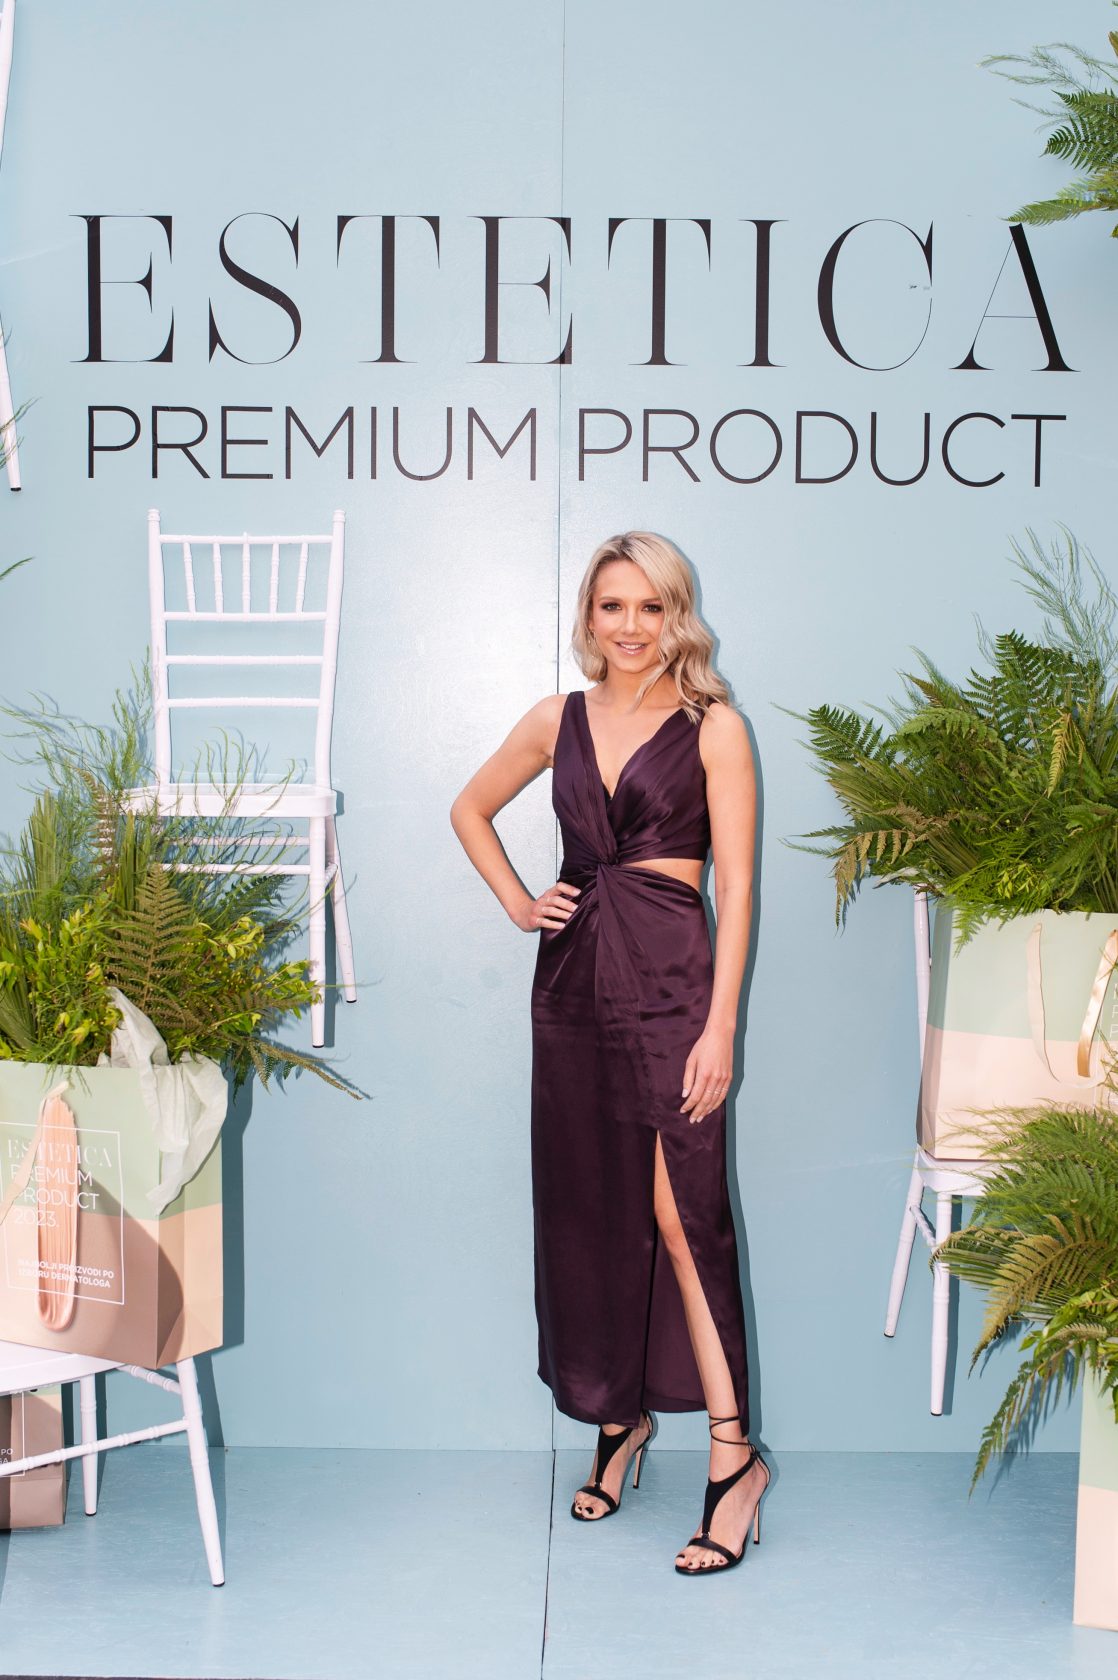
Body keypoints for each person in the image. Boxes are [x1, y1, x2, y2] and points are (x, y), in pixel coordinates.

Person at [449, 530, 767, 1574]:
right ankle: (617, 1420)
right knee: (590, 1210)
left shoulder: (715, 727)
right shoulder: (559, 719)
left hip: (674, 989)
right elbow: (468, 807)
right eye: (611, 606)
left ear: (677, 614)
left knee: (684, 1219)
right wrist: (517, 902)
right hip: (573, 989)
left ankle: (734, 1460)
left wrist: (720, 1026)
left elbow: (737, 888)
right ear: (588, 616)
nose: (630, 626)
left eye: (650, 606)